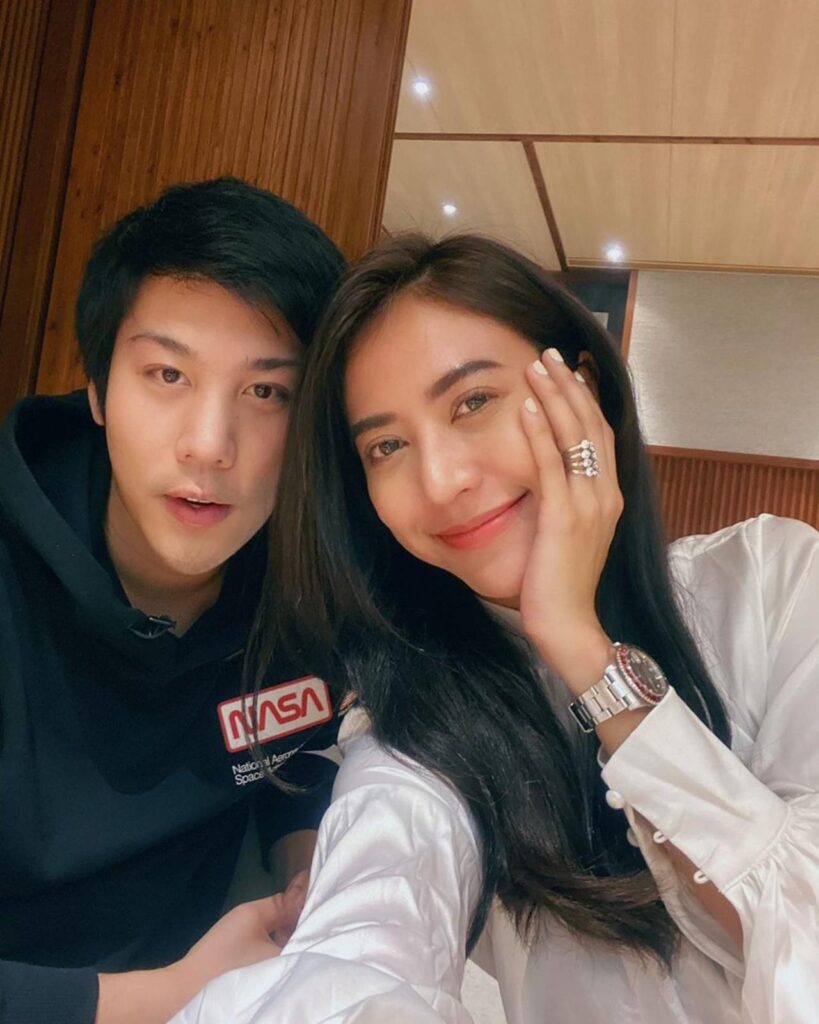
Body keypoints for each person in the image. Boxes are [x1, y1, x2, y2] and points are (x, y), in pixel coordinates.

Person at [174, 234, 818, 1024]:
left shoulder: (771, 583)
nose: (442, 480)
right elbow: (365, 942)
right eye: (386, 446)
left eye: (472, 402)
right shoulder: (415, 733)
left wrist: (582, 650)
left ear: (580, 388)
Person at [0, 177, 346, 1024]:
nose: (209, 445)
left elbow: (285, 743)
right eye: (167, 374)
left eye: (266, 392)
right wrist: (167, 997)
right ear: (97, 388)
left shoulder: (302, 590)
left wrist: (307, 868)